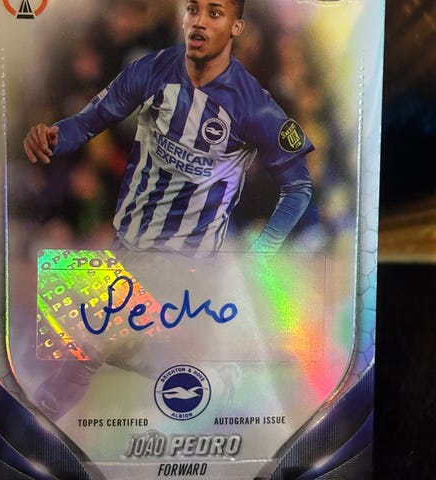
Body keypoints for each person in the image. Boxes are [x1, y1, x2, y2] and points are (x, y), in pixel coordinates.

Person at [24, 0, 315, 420]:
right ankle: (211, 375)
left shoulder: (255, 106)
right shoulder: (150, 71)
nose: (199, 21)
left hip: (186, 259)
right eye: (193, 9)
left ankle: (37, 420)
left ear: (237, 27)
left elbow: (299, 187)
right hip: (129, 243)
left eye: (215, 13)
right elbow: (87, 123)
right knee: (103, 343)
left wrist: (261, 252)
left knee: (90, 338)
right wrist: (52, 136)